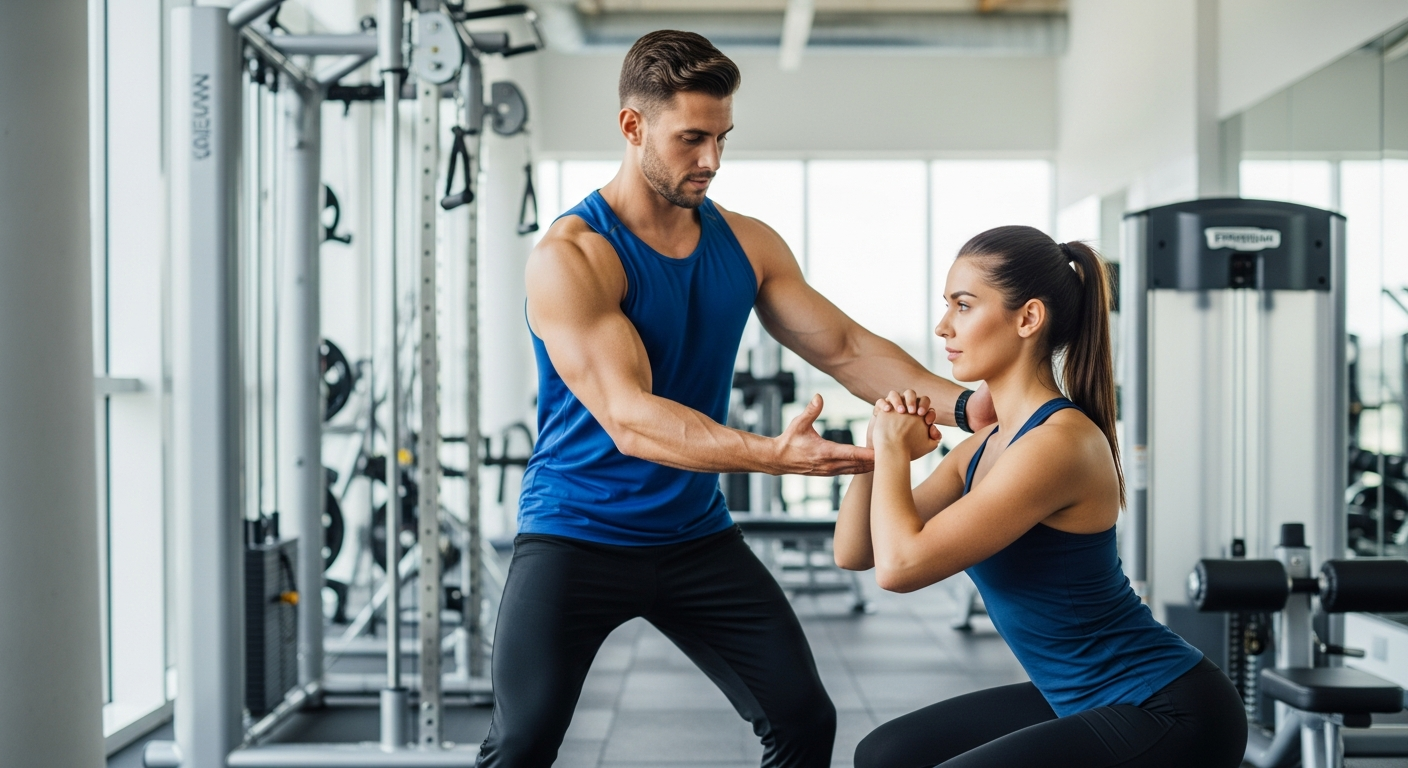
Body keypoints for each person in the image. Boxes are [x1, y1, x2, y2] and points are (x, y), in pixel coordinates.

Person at [475, 30, 996, 768]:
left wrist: (971, 408)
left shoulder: (747, 243)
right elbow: (630, 418)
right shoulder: (574, 256)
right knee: (522, 744)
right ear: (633, 127)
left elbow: (844, 348)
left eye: (722, 138)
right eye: (692, 139)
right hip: (575, 533)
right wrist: (774, 458)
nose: (712, 161)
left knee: (804, 722)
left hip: (694, 538)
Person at [835, 226, 1247, 768]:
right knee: (884, 755)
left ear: (1028, 318)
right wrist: (875, 445)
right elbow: (855, 552)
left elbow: (900, 568)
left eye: (963, 306)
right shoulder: (986, 445)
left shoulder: (1059, 443)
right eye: (946, 307)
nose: (943, 327)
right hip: (1073, 697)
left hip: (1166, 709)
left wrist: (894, 452)